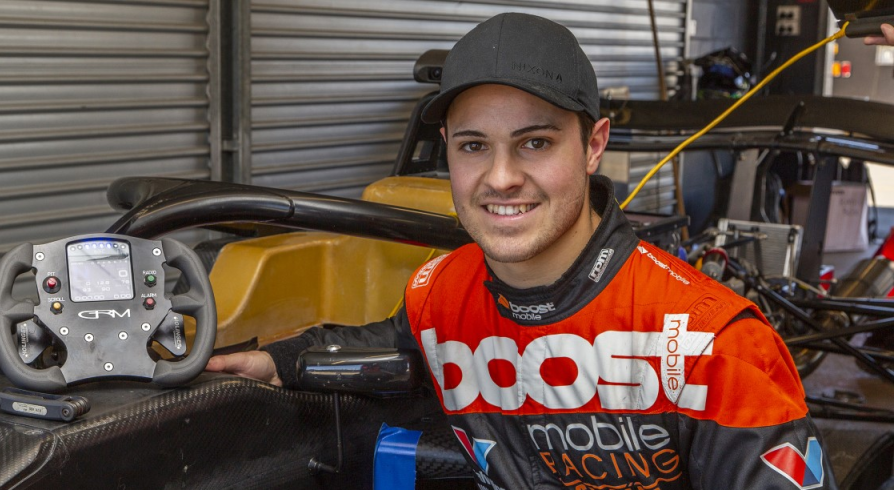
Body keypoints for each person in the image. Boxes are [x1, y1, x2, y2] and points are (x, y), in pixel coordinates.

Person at [206, 12, 836, 490]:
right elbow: (388, 347)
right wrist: (278, 362)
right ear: (447, 148)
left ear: (593, 146)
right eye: (474, 146)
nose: (501, 178)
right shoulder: (439, 293)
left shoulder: (710, 342)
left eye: (535, 142)